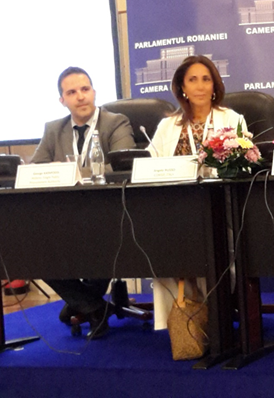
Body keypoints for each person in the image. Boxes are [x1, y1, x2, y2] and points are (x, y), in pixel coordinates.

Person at [32, 66, 136, 338]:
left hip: (110, 214)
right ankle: (93, 306)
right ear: (62, 100)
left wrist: (68, 172)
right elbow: (35, 171)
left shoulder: (116, 122)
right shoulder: (53, 129)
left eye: (85, 89)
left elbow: (121, 168)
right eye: (72, 92)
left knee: (100, 242)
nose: (80, 96)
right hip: (65, 216)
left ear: (94, 92)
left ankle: (83, 303)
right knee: (33, 249)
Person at [148, 55, 247, 330]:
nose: (200, 86)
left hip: (220, 206)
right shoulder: (168, 125)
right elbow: (149, 166)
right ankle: (181, 320)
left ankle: (216, 316)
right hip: (175, 207)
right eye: (192, 80)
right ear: (182, 87)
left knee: (212, 240)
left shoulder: (232, 119)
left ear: (215, 85)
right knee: (163, 241)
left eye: (206, 79)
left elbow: (243, 165)